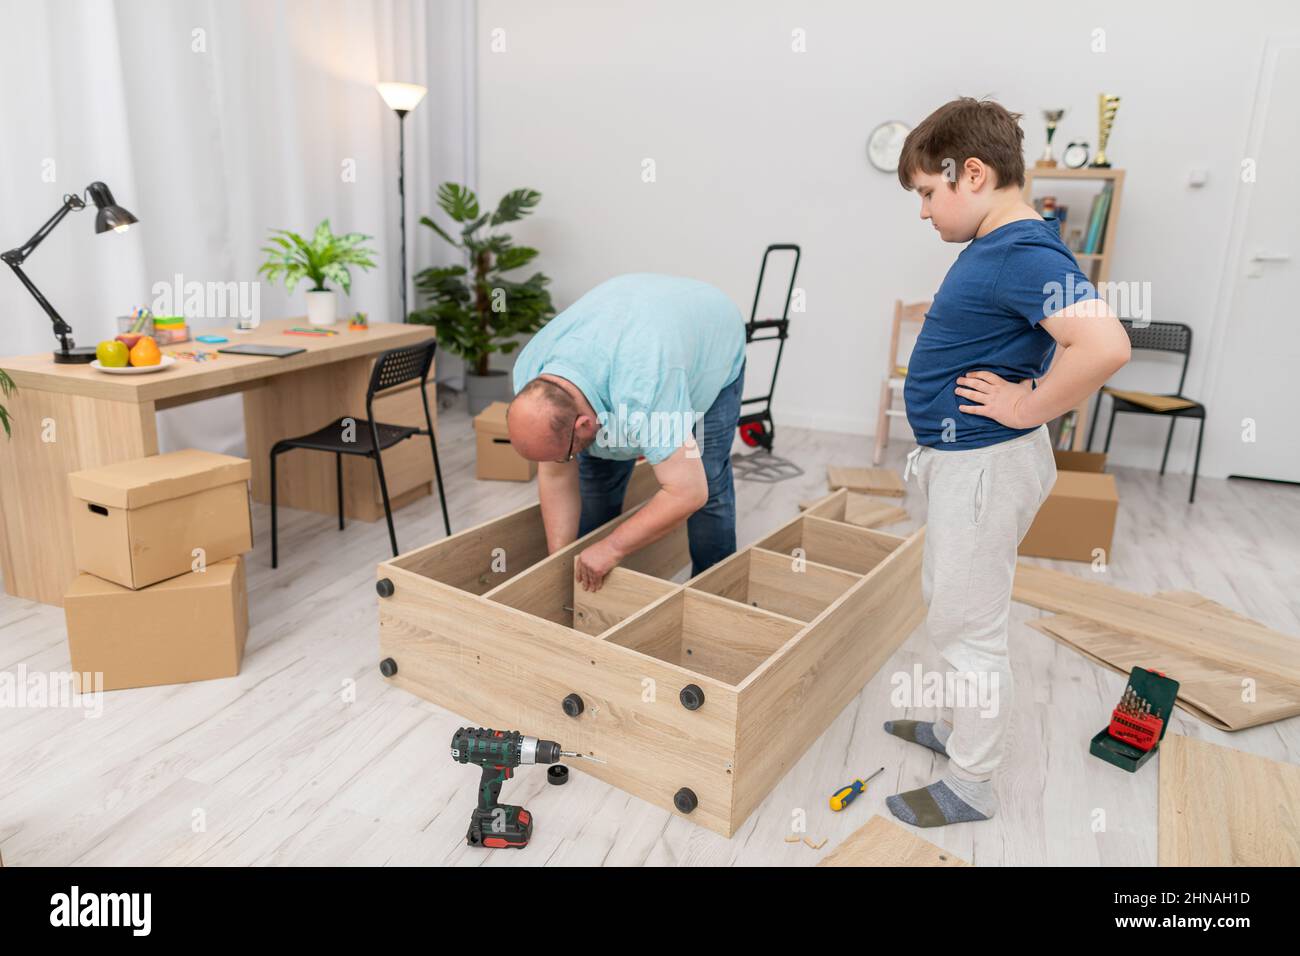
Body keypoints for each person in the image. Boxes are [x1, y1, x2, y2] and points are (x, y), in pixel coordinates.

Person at [884, 97, 1131, 827]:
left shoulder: (1021, 250)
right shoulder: (1001, 246)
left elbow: (1105, 344)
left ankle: (972, 783)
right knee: (954, 607)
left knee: (968, 628)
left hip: (986, 467)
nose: (924, 211)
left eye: (929, 192)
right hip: (970, 465)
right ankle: (964, 731)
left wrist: (1028, 407)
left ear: (973, 174)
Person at [506, 273, 746, 592]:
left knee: (708, 480)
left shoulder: (642, 390)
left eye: (565, 455)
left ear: (584, 424)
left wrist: (612, 548)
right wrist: (562, 564)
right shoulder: (531, 371)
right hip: (636, 327)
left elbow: (689, 492)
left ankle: (715, 590)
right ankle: (593, 583)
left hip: (712, 341)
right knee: (597, 478)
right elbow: (555, 475)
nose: (563, 462)